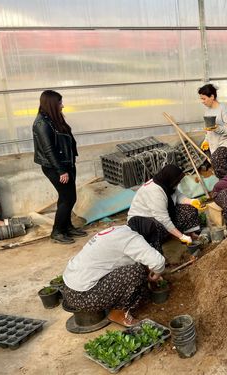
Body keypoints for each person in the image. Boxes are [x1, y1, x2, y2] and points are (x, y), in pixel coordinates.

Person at [61, 223, 166, 327]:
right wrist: (156, 275)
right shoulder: (132, 239)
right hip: (84, 297)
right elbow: (158, 262)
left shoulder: (119, 230)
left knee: (135, 267)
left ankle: (111, 302)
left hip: (69, 290)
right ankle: (117, 313)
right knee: (136, 271)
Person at [32, 90, 86, 244]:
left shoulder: (53, 118)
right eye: (60, 103)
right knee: (68, 198)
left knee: (67, 197)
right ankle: (57, 232)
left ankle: (67, 226)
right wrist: (61, 171)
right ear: (52, 104)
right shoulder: (41, 123)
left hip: (66, 163)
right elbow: (48, 150)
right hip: (55, 167)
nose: (62, 106)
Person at [127, 164, 203, 252]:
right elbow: (163, 219)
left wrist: (191, 201)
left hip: (158, 216)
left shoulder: (166, 183)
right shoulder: (155, 192)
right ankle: (158, 252)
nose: (178, 183)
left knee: (189, 208)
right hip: (141, 222)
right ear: (170, 179)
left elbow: (178, 196)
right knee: (156, 226)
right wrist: (180, 236)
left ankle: (189, 235)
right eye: (177, 181)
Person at [198, 84, 227, 179]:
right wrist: (206, 141)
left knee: (217, 159)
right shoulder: (208, 112)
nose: (202, 101)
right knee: (216, 166)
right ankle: (225, 185)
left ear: (212, 97)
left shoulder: (224, 109)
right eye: (201, 99)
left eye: (204, 99)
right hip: (216, 145)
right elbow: (208, 130)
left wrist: (217, 128)